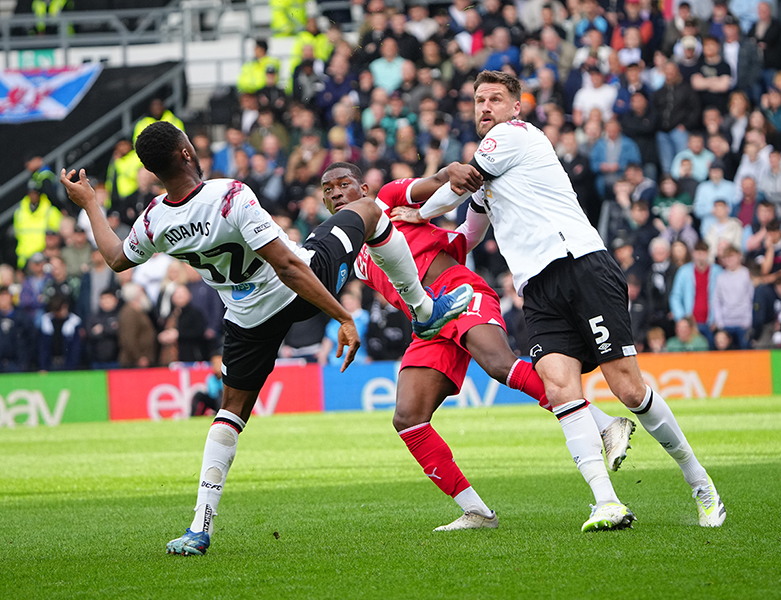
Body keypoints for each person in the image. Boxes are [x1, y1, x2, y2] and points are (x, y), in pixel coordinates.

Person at [59, 121, 473, 557]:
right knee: (370, 211)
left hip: (247, 318)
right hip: (300, 285)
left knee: (231, 411)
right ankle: (425, 312)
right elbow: (289, 268)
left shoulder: (154, 220)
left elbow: (115, 258)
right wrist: (343, 315)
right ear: (185, 154)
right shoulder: (229, 195)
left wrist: (89, 203)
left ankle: (199, 527)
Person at [395, 70, 726, 531]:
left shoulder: (512, 137)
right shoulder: (487, 182)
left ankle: (700, 483)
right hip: (537, 288)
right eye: (478, 101)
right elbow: (465, 237)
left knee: (628, 389)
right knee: (559, 388)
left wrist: (412, 214)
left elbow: (452, 191)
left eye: (494, 99)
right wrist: (412, 249)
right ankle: (606, 502)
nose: (485, 107)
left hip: (580, 265)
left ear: (516, 108)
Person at [325, 161, 635, 531]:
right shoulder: (349, 253)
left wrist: (456, 172)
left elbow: (439, 183)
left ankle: (603, 423)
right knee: (408, 418)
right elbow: (458, 240)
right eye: (328, 190)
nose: (336, 193)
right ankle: (477, 512)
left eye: (344, 184)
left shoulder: (389, 200)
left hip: (455, 290)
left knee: (499, 364)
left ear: (363, 190)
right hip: (426, 323)